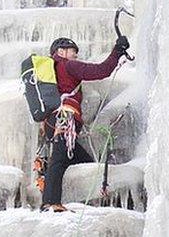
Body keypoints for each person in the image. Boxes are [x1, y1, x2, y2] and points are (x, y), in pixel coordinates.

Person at [41, 35, 128, 213]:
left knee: (82, 160)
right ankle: (50, 203)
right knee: (58, 160)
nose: (76, 54)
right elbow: (101, 71)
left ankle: (87, 203)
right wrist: (117, 51)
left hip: (52, 122)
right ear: (61, 51)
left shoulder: (53, 70)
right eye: (73, 50)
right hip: (65, 119)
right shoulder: (67, 65)